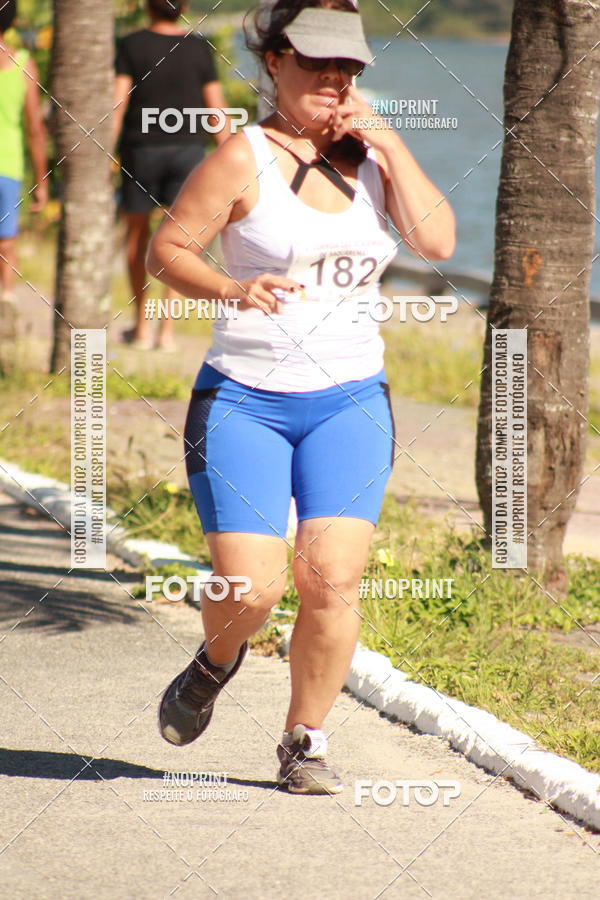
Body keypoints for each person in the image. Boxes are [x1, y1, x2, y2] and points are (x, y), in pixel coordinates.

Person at [147, 0, 455, 794]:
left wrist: (389, 138)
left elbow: (438, 242)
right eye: (316, 64)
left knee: (332, 577)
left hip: (349, 398)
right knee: (251, 589)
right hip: (244, 398)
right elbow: (168, 250)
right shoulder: (241, 156)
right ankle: (219, 657)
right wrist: (232, 287)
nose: (333, 80)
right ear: (275, 62)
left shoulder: (375, 160)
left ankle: (305, 742)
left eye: (347, 68)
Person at [113, 0, 230, 350]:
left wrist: (104, 149)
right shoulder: (197, 46)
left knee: (137, 235)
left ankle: (142, 326)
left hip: (140, 151)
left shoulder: (130, 44)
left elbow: (118, 103)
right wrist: (230, 155)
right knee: (180, 242)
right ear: (185, 6)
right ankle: (167, 332)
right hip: (188, 153)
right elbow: (216, 108)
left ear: (146, 6)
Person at [0, 0, 48, 304]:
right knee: (7, 240)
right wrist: (42, 183)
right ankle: (6, 300)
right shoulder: (23, 64)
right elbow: (35, 129)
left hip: (9, 164)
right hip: (9, 164)